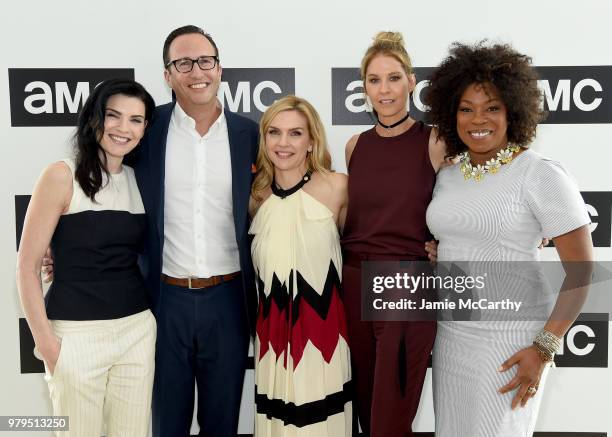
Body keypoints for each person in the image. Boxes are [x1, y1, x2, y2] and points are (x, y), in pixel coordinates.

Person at [424, 42, 593, 436]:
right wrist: (442, 254)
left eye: (492, 107)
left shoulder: (539, 175)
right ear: (452, 113)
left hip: (510, 342)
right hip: (452, 337)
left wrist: (544, 348)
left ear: (513, 111)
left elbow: (582, 271)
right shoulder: (449, 175)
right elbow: (467, 237)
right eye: (466, 108)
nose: (477, 119)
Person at [130, 25, 259, 437]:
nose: (196, 71)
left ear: (220, 69)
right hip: (164, 303)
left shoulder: (252, 136)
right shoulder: (144, 133)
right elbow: (104, 187)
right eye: (182, 63)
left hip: (229, 301)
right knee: (167, 424)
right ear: (167, 75)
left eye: (205, 60)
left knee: (222, 424)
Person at [16, 78, 156, 436]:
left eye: (136, 120)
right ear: (95, 118)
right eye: (114, 116)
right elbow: (27, 267)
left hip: (136, 331)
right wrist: (47, 345)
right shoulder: (61, 175)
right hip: (75, 337)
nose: (124, 128)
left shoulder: (141, 180)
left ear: (145, 128)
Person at [341, 31, 447, 436]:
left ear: (411, 82)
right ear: (364, 87)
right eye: (374, 80)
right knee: (365, 411)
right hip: (353, 282)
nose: (383, 89)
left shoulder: (434, 140)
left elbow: (468, 200)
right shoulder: (355, 146)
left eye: (393, 78)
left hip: (405, 281)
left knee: (391, 415)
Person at [249, 95, 352, 436]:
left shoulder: (338, 188)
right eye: (274, 132)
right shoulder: (257, 197)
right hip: (272, 339)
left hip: (322, 335)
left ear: (311, 141)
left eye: (295, 133)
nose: (283, 143)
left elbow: (362, 251)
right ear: (264, 140)